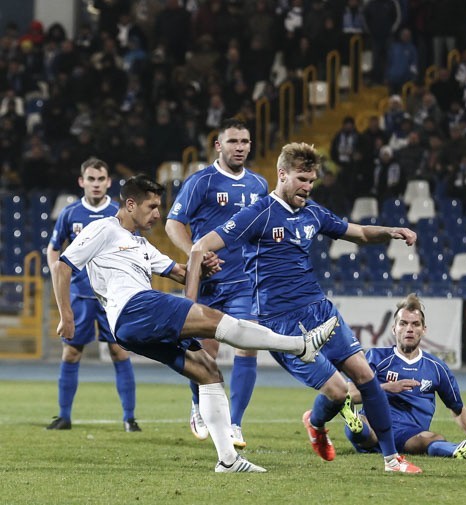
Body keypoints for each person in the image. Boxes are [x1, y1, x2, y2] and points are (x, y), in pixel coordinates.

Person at [53, 174, 336, 473]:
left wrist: (202, 266)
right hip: (133, 308)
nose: (157, 214)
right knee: (215, 320)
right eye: (151, 207)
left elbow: (179, 271)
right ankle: (299, 345)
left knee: (206, 369)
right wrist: (66, 316)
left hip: (133, 326)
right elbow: (62, 265)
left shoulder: (141, 245)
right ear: (131, 204)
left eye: (158, 207)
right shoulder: (103, 228)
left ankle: (228, 460)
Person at [188, 142, 423, 474]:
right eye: (301, 179)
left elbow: (357, 233)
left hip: (321, 309)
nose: (308, 187)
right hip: (282, 322)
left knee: (366, 376)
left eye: (312, 181)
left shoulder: (313, 212)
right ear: (282, 174)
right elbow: (200, 247)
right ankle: (316, 423)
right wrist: (189, 305)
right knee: (339, 392)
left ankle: (391, 459)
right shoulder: (259, 213)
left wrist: (390, 231)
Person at [166, 118, 268, 448]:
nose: (240, 147)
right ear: (219, 145)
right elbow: (173, 224)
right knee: (205, 355)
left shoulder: (258, 185)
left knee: (248, 345)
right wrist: (195, 252)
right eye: (234, 141)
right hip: (208, 282)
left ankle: (235, 423)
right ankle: (197, 406)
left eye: (245, 141)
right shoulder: (201, 182)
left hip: (243, 281)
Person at [343, 293, 466, 459]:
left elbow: (458, 409)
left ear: (423, 329)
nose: (409, 329)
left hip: (408, 436)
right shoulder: (376, 357)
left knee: (433, 438)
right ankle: (357, 426)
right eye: (403, 323)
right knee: (362, 425)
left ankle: (457, 450)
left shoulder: (437, 368)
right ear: (394, 329)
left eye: (415, 324)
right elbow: (349, 394)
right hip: (374, 427)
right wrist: (385, 388)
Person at [45, 158, 139, 432]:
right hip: (80, 296)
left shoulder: (118, 213)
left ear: (109, 182)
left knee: (119, 352)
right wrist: (56, 271)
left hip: (113, 298)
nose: (96, 184)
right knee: (71, 353)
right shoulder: (70, 213)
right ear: (81, 181)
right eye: (91, 179)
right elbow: (53, 248)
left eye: (101, 180)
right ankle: (64, 416)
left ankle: (129, 418)